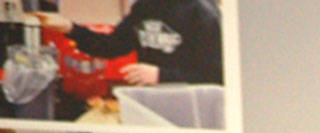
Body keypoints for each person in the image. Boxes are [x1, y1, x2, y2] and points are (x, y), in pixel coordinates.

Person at [34, 0, 223, 90]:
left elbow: (217, 74)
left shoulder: (203, 13)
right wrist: (69, 27)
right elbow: (111, 46)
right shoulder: (144, 7)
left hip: (191, 105)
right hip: (152, 100)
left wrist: (160, 75)